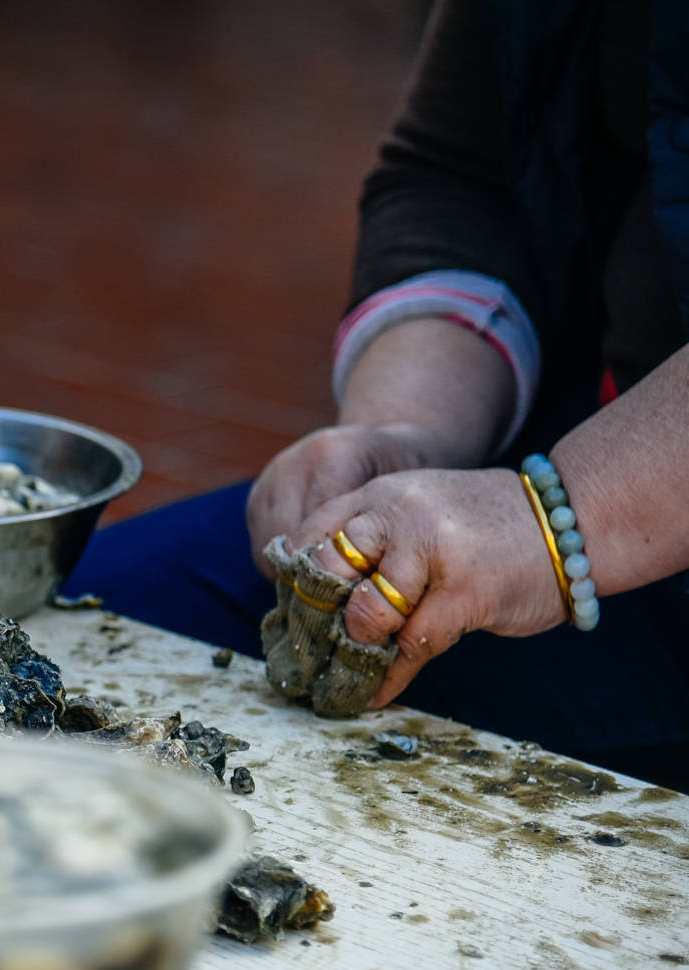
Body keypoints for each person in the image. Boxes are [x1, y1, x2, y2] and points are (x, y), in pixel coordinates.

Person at [65, 0, 689, 788]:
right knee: (72, 639)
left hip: (618, 530)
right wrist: (406, 435)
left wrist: (560, 522)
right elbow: (462, 173)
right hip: (566, 454)